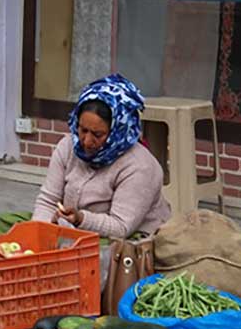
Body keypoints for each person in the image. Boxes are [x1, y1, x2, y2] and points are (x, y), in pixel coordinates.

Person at [33, 74, 171, 238]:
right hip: (72, 227)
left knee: (95, 255)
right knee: (15, 224)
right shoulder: (68, 146)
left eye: (97, 134)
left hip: (125, 239)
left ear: (118, 132)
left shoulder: (140, 167)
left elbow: (120, 227)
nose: (86, 141)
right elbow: (48, 201)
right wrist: (41, 235)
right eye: (83, 130)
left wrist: (80, 219)